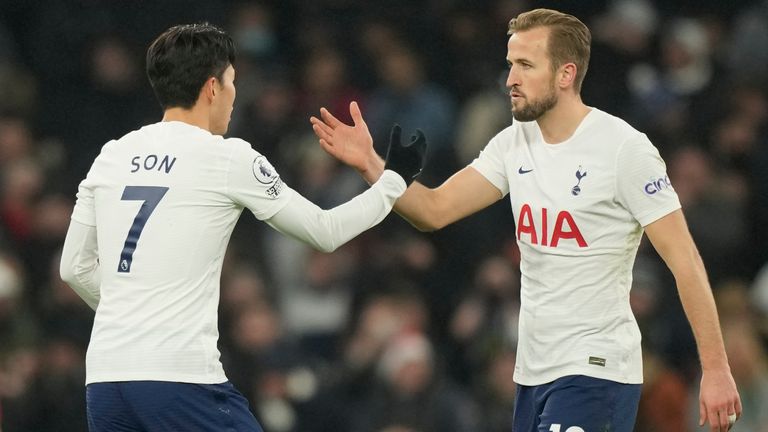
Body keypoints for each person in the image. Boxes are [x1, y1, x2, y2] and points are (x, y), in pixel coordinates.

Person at [310, 8, 741, 432]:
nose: (510, 79)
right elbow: (434, 210)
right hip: (532, 374)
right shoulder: (514, 142)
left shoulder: (624, 149)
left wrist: (716, 369)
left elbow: (685, 260)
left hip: (595, 369)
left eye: (525, 65)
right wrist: (370, 164)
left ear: (566, 74)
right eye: (510, 64)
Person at [59, 23, 426, 432]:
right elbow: (325, 232)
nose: (235, 96)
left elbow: (73, 267)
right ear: (213, 87)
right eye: (233, 82)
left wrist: (132, 316)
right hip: (180, 378)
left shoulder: (111, 155)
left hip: (107, 378)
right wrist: (393, 181)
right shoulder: (227, 157)